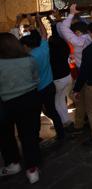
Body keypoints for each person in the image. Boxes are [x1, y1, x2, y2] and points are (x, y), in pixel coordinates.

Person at [0, 33, 42, 183]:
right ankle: (32, 170)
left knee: (6, 136)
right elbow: (36, 79)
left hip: (5, 103)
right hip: (30, 99)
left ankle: (13, 164)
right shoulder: (29, 60)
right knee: (29, 136)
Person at [20, 16, 66, 141]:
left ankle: (35, 137)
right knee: (52, 110)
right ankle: (61, 133)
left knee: (35, 115)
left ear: (27, 46)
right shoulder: (44, 48)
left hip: (37, 89)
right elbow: (45, 33)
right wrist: (37, 20)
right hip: (49, 85)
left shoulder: (28, 58)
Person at [56, 6, 92, 134]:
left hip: (83, 73)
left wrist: (70, 14)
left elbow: (63, 29)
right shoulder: (91, 37)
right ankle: (83, 120)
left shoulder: (78, 41)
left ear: (77, 33)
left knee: (79, 97)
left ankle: (81, 124)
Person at [48, 21, 72, 127]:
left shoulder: (51, 54)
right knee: (61, 100)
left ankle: (60, 122)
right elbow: (56, 36)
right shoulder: (64, 46)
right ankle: (66, 120)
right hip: (67, 76)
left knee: (56, 102)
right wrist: (53, 25)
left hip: (58, 79)